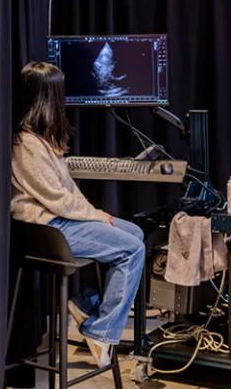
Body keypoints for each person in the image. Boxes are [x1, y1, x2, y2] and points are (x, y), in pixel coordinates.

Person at [10, 61, 145, 366]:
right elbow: (57, 199)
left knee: (135, 233)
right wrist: (95, 216)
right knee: (131, 250)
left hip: (58, 220)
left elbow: (69, 189)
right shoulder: (26, 143)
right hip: (44, 229)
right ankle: (100, 330)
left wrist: (95, 212)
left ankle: (86, 303)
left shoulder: (43, 138)